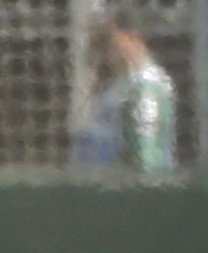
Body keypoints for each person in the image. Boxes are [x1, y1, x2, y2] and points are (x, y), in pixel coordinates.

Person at [68, 17, 176, 171]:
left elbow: (145, 152)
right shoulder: (122, 81)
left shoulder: (144, 86)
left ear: (134, 38)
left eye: (111, 43)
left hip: (122, 188)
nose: (107, 51)